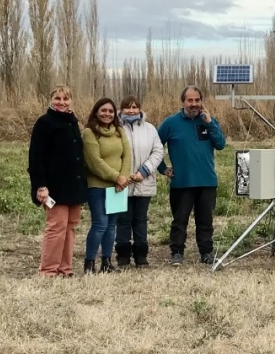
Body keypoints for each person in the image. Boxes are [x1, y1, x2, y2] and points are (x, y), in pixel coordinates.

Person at [157, 86, 226, 266]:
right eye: (190, 100)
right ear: (183, 102)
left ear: (201, 101)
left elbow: (220, 144)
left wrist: (210, 123)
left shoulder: (209, 121)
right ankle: (177, 253)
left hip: (207, 181)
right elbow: (154, 147)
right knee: (179, 221)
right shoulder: (170, 123)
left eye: (197, 100)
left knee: (206, 221)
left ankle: (206, 253)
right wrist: (162, 168)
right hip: (181, 183)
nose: (194, 104)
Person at [28, 85, 88, 277]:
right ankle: (48, 270)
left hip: (74, 185)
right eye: (57, 99)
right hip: (54, 187)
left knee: (70, 228)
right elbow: (36, 158)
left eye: (65, 99)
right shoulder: (44, 123)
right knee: (56, 227)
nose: (62, 102)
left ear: (71, 101)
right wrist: (41, 186)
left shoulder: (72, 122)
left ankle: (65, 268)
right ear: (50, 100)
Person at [82, 97, 132, 274]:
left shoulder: (119, 131)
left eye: (110, 111)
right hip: (97, 186)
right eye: (103, 110)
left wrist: (123, 178)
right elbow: (94, 162)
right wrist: (117, 177)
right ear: (96, 112)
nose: (107, 114)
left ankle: (106, 262)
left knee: (112, 225)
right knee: (100, 224)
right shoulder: (89, 132)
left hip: (118, 187)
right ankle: (89, 263)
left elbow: (127, 156)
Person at [115, 95, 165, 269]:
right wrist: (121, 175)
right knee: (122, 221)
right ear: (121, 110)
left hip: (144, 182)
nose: (131, 110)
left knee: (140, 220)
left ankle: (141, 256)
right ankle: (122, 256)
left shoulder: (150, 129)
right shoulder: (114, 128)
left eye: (135, 107)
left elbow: (158, 151)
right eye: (127, 107)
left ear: (140, 109)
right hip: (121, 184)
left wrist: (144, 171)